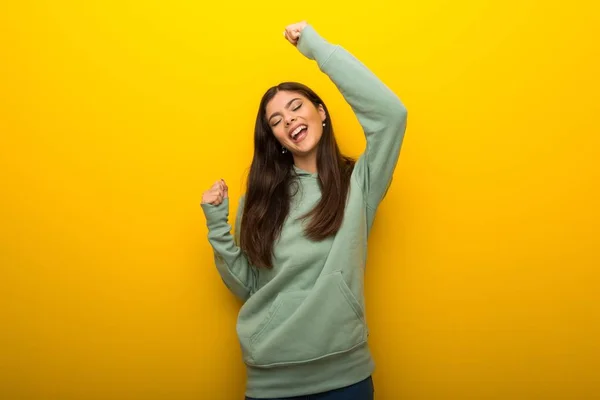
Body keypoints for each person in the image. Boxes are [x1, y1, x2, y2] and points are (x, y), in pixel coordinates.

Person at [200, 21, 407, 400]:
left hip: (345, 377)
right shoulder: (262, 199)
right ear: (276, 139)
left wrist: (317, 50)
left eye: (296, 107)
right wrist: (217, 226)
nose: (289, 119)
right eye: (276, 121)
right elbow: (248, 285)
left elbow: (391, 115)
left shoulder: (358, 184)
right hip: (271, 380)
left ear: (321, 112)